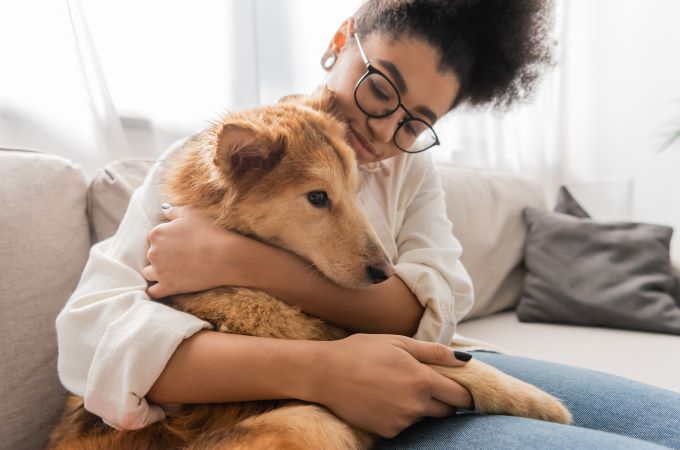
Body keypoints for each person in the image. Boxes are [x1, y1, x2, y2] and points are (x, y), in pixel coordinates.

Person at [56, 0, 680, 448]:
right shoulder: (225, 156)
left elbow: (430, 313)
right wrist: (322, 372)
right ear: (340, 40)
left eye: (414, 123)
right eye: (381, 88)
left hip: (412, 366)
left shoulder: (409, 174)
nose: (383, 131)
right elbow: (92, 343)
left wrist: (242, 262)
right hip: (286, 407)